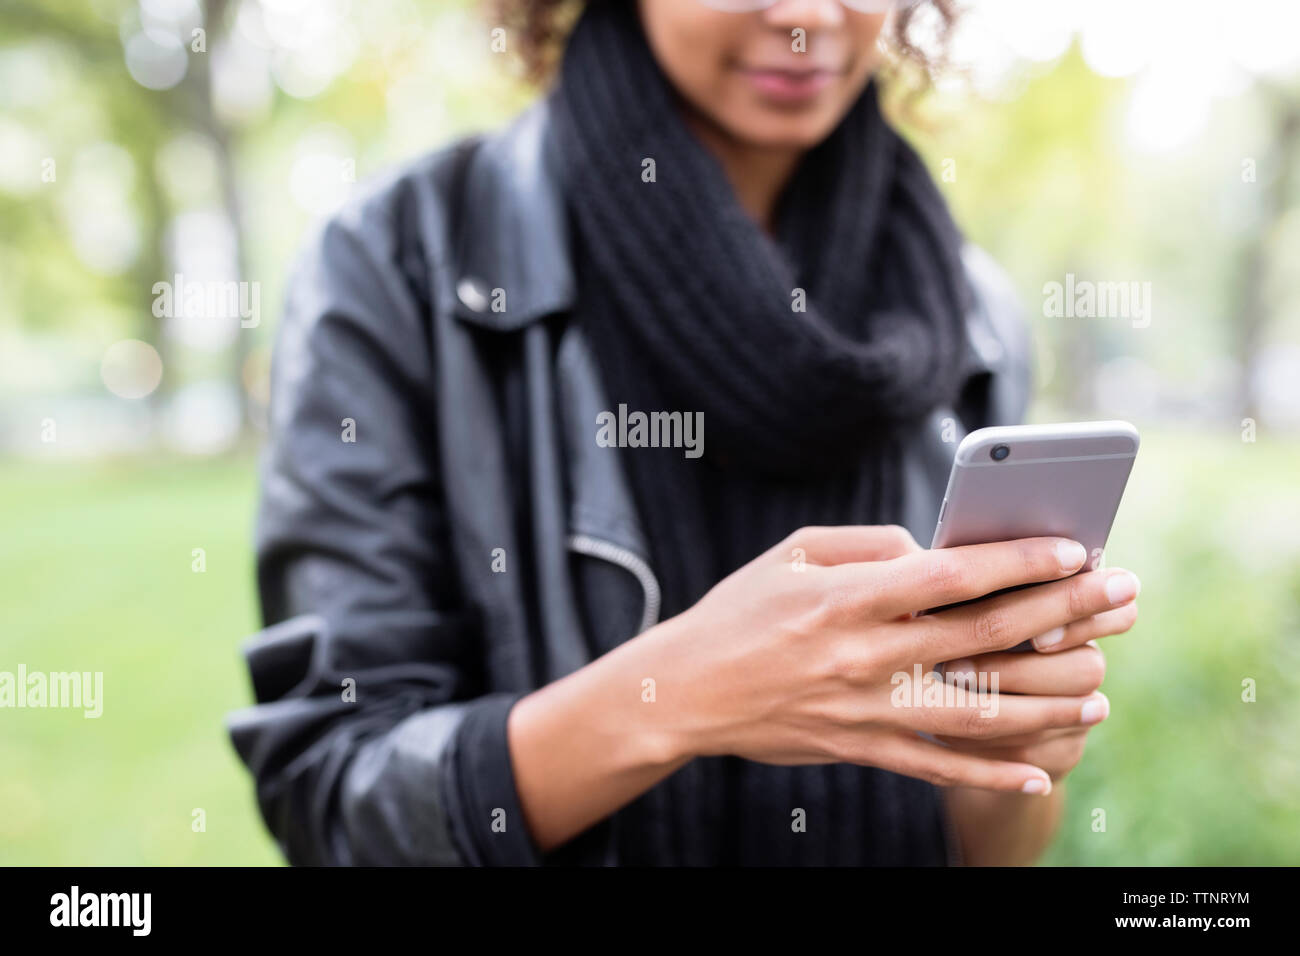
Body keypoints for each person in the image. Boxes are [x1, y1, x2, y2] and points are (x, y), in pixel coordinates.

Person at [227, 0, 1141, 866]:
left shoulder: (968, 312)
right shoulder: (402, 262)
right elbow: (336, 797)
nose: (807, 19)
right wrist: (679, 696)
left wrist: (1023, 754)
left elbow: (992, 849)